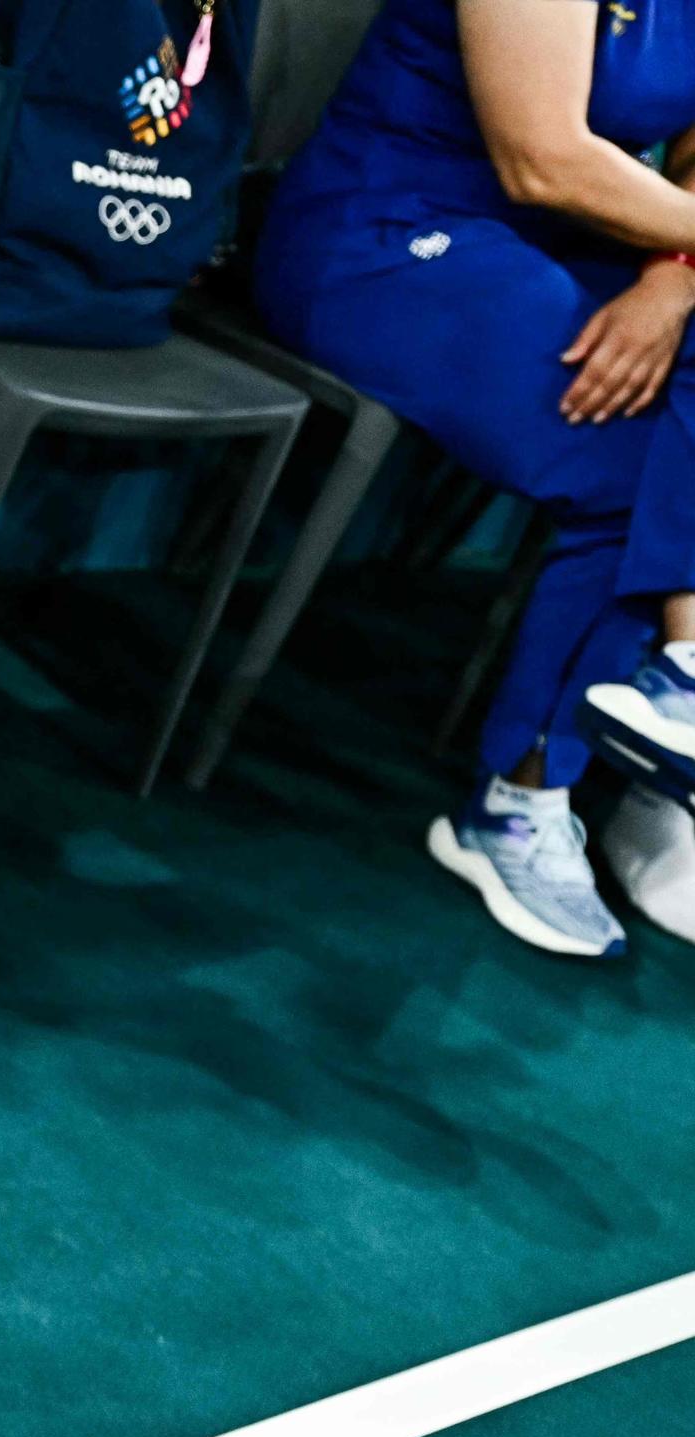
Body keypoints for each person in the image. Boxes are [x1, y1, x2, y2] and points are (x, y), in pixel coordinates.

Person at [256, 0, 695, 956]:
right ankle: (520, 802)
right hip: (387, 234)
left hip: (577, 249)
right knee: (640, 466)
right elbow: (541, 157)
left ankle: (676, 712)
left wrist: (677, 272)